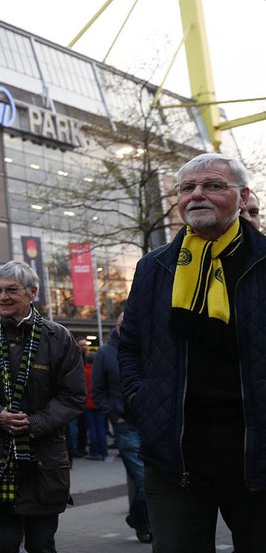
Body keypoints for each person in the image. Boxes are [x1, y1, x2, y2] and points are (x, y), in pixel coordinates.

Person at [118, 153, 266, 552]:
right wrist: (142, 400)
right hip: (176, 453)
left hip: (256, 449)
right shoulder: (154, 267)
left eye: (213, 185)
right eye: (187, 188)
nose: (197, 194)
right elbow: (130, 345)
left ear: (242, 196)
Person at [0, 261, 86, 553]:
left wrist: (34, 423)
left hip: (43, 461)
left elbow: (73, 396)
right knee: (3, 543)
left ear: (32, 292)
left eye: (11, 290)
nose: (2, 297)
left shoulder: (58, 337)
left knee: (42, 544)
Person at [91, 312, 152, 544]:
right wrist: (114, 416)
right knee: (143, 478)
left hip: (147, 421)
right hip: (124, 424)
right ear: (117, 326)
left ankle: (136, 517)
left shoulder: (144, 347)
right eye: (124, 324)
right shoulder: (105, 352)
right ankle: (142, 522)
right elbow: (98, 390)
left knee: (152, 476)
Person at [82, 348, 108, 461]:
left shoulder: (83, 372)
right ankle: (104, 451)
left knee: (92, 428)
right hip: (100, 402)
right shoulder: (100, 372)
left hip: (88, 403)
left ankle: (95, 451)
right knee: (101, 427)